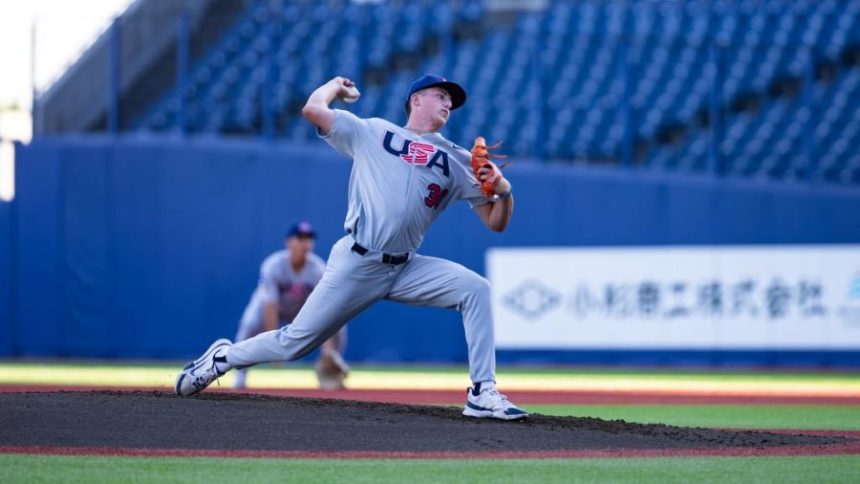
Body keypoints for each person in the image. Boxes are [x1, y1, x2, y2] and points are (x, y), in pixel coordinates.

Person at [175, 73, 527, 420]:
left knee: (476, 289)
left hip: (405, 267)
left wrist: (505, 190)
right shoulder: (373, 131)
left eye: (452, 100)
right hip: (358, 261)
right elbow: (313, 110)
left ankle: (482, 392)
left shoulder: (457, 158)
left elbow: (495, 222)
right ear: (416, 99)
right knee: (294, 343)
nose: (449, 103)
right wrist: (334, 86)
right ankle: (222, 359)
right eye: (441, 95)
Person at [232, 221, 350, 390]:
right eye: (300, 238)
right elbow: (270, 306)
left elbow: (326, 309)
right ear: (288, 242)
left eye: (308, 239)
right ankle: (240, 374)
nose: (305, 243)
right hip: (271, 308)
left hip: (300, 311)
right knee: (249, 323)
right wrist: (273, 348)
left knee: (339, 325)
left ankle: (332, 367)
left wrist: (327, 350)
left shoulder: (318, 269)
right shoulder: (273, 265)